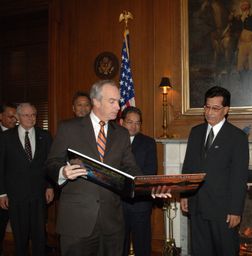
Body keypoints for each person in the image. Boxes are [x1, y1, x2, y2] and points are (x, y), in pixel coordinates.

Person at [46, 80, 168, 256]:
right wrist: (62, 172)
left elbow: (131, 168)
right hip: (77, 221)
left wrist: (148, 187)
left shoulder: (121, 133)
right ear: (96, 101)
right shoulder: (69, 128)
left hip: (112, 222)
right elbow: (51, 162)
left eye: (118, 101)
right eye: (112, 101)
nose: (118, 106)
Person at [180, 86, 249, 256]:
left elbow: (239, 177)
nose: (209, 112)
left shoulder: (237, 137)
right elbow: (188, 167)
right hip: (197, 207)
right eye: (206, 107)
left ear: (226, 110)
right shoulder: (195, 133)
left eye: (215, 108)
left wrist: (235, 210)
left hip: (223, 211)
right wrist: (184, 195)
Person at [0, 103, 54, 256]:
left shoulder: (45, 135)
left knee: (39, 235)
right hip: (15, 195)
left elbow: (50, 164)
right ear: (17, 117)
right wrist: (1, 193)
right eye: (26, 115)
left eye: (33, 115)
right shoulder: (5, 137)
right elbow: (1, 167)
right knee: (20, 236)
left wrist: (50, 186)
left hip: (39, 193)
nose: (31, 118)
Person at [119, 106, 157, 256]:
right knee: (119, 245)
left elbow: (151, 171)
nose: (134, 126)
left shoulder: (148, 142)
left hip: (140, 203)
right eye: (130, 122)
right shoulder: (112, 141)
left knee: (142, 245)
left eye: (138, 123)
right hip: (118, 203)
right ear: (121, 122)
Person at [0, 103, 17, 256]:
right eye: (10, 116)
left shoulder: (20, 133)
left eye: (16, 116)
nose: (14, 120)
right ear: (1, 116)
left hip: (18, 190)